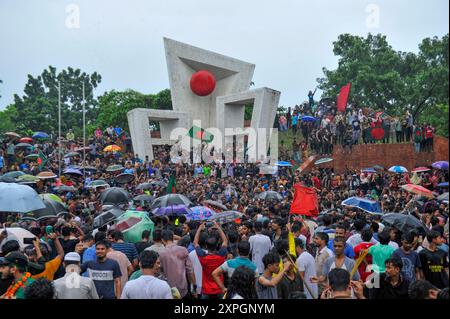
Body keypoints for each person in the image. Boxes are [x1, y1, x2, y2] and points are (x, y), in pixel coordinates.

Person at [194, 222, 228, 299]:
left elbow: (195, 243)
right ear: (217, 245)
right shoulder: (221, 255)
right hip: (219, 288)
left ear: (206, 246)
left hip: (206, 289)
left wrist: (199, 229)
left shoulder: (203, 257)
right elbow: (225, 241)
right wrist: (218, 227)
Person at [158, 229, 195, 299]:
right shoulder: (183, 249)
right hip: (183, 287)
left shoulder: (161, 253)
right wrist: (194, 285)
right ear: (173, 238)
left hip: (169, 288)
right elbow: (190, 270)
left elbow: (160, 271)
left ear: (162, 240)